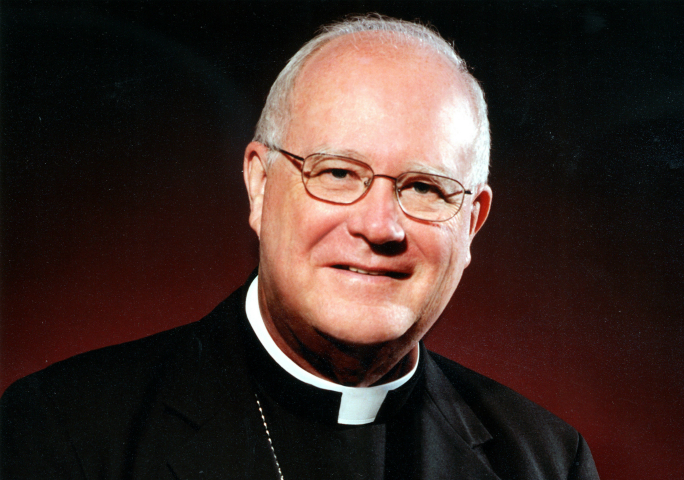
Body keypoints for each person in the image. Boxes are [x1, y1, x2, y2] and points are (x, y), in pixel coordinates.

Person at [1, 15, 599, 480]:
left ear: (471, 222)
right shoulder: (67, 432)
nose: (379, 227)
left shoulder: (545, 460)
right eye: (338, 173)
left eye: (424, 187)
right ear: (260, 186)